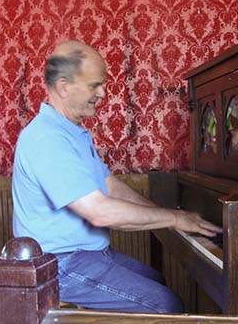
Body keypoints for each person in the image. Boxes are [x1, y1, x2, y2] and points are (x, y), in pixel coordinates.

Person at [11, 40, 221, 313]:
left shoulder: (71, 132)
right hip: (59, 264)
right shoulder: (46, 138)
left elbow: (110, 186)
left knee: (157, 280)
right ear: (63, 87)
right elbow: (99, 212)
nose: (103, 93)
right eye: (94, 85)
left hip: (86, 255)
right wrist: (177, 218)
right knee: (166, 306)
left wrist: (167, 214)